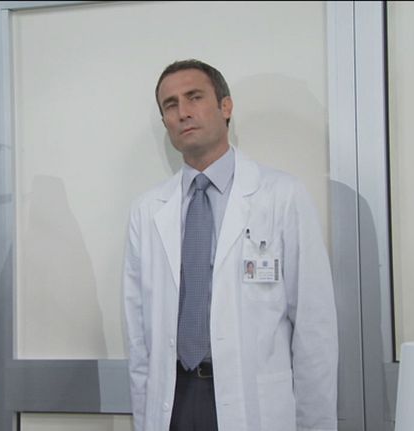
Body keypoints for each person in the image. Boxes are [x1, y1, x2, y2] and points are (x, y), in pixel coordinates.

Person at [122, 59, 338, 431]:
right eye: (171, 105)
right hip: (173, 399)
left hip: (251, 402)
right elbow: (137, 334)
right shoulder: (148, 210)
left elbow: (314, 327)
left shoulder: (281, 196)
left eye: (194, 97)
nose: (183, 112)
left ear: (225, 106)